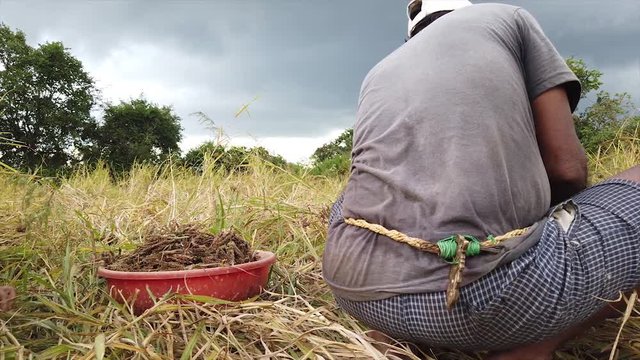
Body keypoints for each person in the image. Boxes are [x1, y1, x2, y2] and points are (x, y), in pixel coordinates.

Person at [322, 1, 640, 359]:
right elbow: (567, 169)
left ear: (413, 32)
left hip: (354, 289)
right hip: (481, 301)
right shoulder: (507, 19)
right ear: (465, 9)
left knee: (357, 192)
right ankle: (535, 345)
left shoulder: (378, 70)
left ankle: (393, 335)